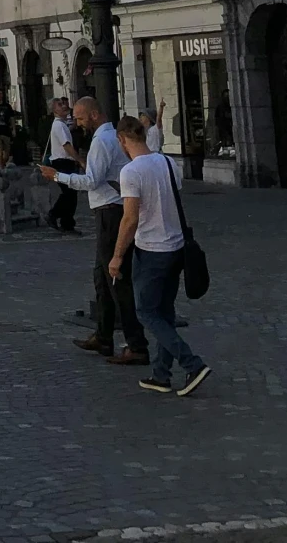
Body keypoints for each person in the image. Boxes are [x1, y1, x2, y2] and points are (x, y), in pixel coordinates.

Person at [39, 95, 147, 365]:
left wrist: (57, 176)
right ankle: (104, 334)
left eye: (80, 117)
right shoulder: (109, 138)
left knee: (115, 277)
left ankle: (136, 343)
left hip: (110, 211)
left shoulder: (101, 141)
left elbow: (91, 180)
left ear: (95, 115)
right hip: (110, 209)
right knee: (102, 277)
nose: (77, 122)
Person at [112, 113, 209, 397]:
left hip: (151, 249)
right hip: (176, 246)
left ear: (122, 139)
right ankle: (161, 374)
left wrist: (117, 256)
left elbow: (129, 219)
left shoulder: (131, 172)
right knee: (164, 312)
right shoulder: (168, 162)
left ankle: (191, 362)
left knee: (146, 311)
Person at [44, 99, 81, 234]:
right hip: (63, 162)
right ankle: (54, 215)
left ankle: (67, 223)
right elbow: (66, 145)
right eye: (60, 105)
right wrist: (79, 159)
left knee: (71, 193)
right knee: (69, 192)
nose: (65, 106)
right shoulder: (59, 125)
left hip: (64, 161)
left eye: (63, 104)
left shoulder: (62, 124)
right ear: (54, 110)